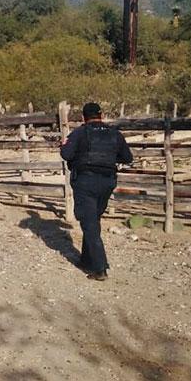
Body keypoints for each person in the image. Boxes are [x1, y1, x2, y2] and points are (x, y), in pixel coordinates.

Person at [60, 102, 133, 281]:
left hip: (86, 181)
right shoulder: (114, 133)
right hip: (107, 182)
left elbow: (66, 155)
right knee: (92, 220)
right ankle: (86, 259)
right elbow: (127, 157)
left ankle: (100, 268)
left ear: (83, 117)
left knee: (89, 222)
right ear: (102, 115)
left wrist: (65, 147)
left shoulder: (79, 133)